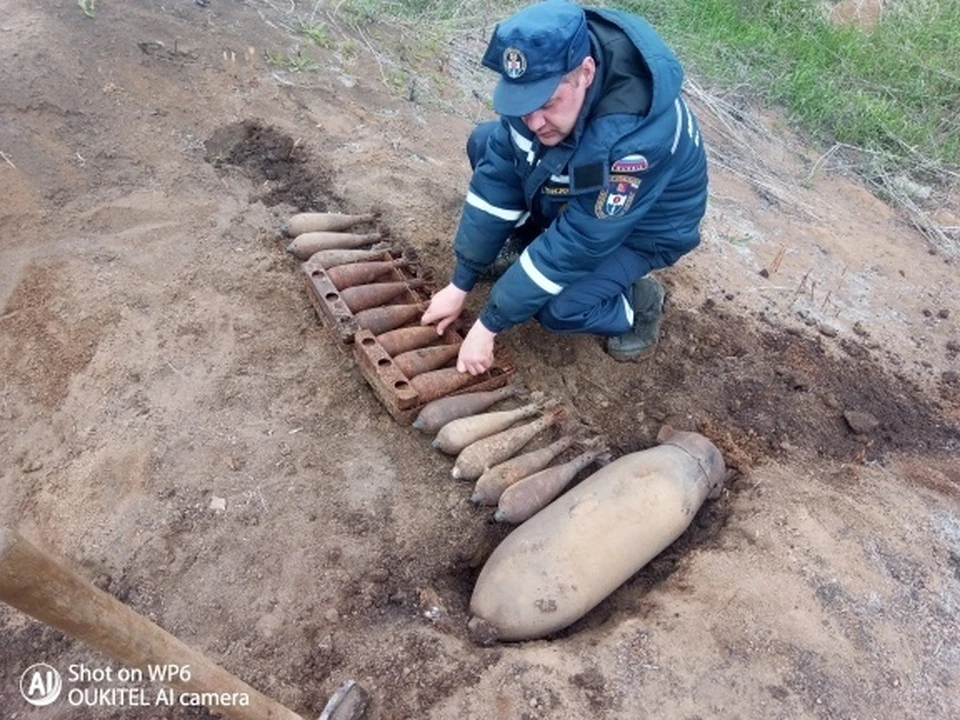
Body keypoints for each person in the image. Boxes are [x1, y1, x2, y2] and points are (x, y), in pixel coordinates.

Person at [420, 0, 708, 374]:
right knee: (486, 142)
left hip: (639, 230)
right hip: (584, 190)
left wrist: (489, 324)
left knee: (558, 308)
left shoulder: (636, 141)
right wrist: (462, 281)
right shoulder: (536, 93)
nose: (534, 121)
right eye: (524, 105)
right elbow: (499, 180)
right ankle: (529, 249)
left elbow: (582, 240)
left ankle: (638, 301)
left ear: (586, 72)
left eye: (548, 102)